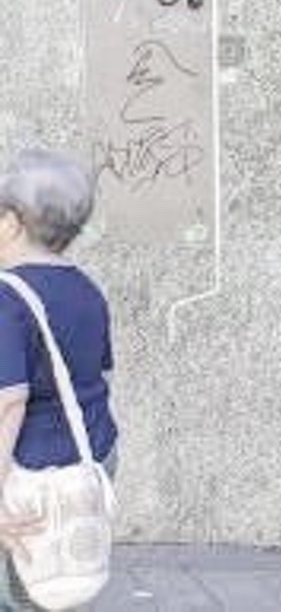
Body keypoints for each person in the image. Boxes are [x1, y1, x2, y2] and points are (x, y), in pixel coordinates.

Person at [0, 150, 117, 612]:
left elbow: (8, 403)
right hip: (91, 456)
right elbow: (98, 372)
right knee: (57, 587)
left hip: (29, 472)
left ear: (11, 222)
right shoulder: (86, 288)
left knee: (22, 595)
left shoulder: (6, 298)